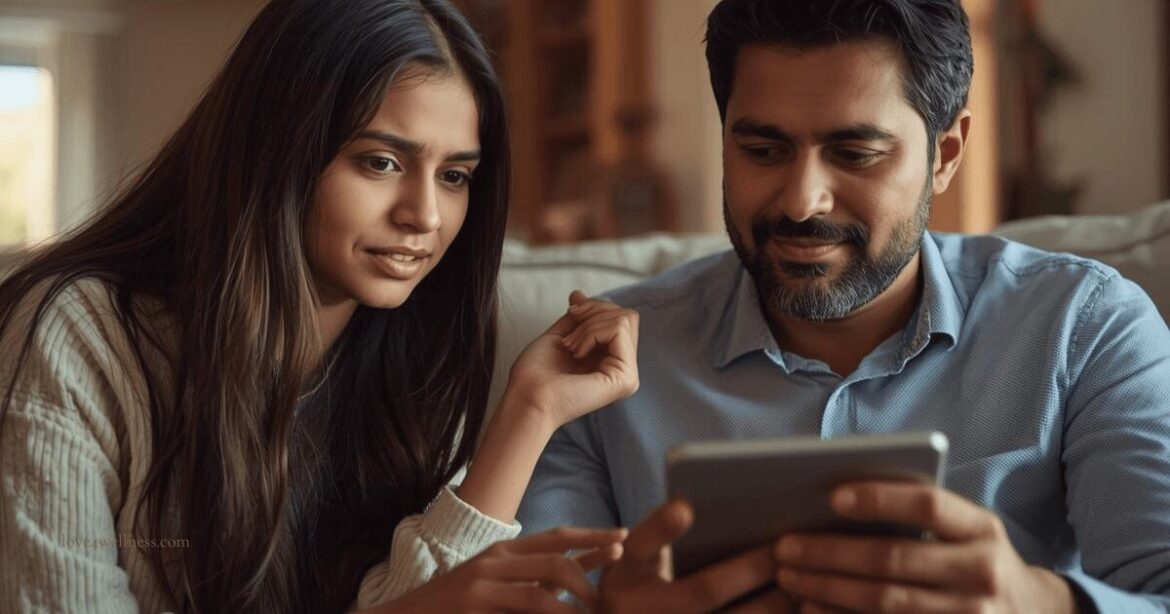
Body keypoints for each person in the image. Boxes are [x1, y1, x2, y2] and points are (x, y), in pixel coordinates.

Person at [517, 0, 1170, 611]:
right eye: (763, 151)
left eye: (855, 154)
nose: (803, 201)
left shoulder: (1084, 327)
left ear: (945, 155)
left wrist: (1039, 602)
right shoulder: (598, 362)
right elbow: (534, 595)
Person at [0, 0, 641, 612]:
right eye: (382, 162)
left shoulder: (417, 359)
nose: (425, 216)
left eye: (454, 176)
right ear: (278, 150)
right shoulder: (75, 334)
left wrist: (528, 411)